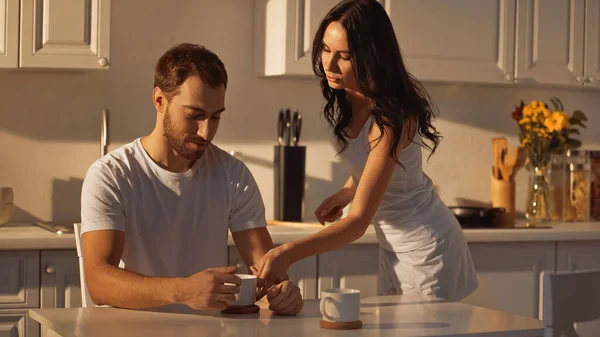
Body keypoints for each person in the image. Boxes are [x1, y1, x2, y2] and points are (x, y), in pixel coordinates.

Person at [255, 0, 478, 302]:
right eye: (325, 50)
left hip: (428, 248)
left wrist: (288, 253)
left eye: (344, 56)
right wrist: (346, 191)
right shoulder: (346, 99)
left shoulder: (393, 118)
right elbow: (370, 166)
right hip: (392, 249)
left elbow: (358, 222)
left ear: (372, 56)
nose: (329, 65)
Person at [80, 43, 303, 315]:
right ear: (160, 100)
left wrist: (282, 294)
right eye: (193, 115)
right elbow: (99, 282)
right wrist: (184, 290)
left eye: (216, 116)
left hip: (213, 330)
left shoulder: (233, 175)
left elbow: (267, 272)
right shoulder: (111, 175)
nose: (206, 131)